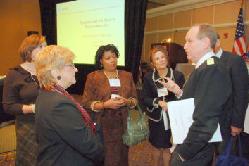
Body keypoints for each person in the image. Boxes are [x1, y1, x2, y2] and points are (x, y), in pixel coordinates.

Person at [162, 24, 232, 166]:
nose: (185, 46)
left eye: (189, 41)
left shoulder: (212, 69)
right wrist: (177, 90)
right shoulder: (204, 67)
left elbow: (205, 122)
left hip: (195, 149)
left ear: (206, 42)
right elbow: (195, 102)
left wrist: (183, 154)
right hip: (193, 144)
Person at [35, 45, 104, 166]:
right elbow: (90, 147)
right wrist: (97, 127)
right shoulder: (59, 104)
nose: (76, 69)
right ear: (55, 72)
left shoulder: (48, 94)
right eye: (71, 65)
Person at [82, 44, 137, 166]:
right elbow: (86, 102)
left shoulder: (127, 76)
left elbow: (135, 100)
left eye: (114, 56)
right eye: (108, 58)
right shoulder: (93, 77)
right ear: (101, 61)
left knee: (123, 157)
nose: (112, 60)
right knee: (107, 158)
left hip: (123, 125)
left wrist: (127, 101)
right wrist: (105, 105)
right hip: (104, 126)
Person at [2, 34, 46, 166]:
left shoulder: (46, 71)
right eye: (41, 47)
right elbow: (8, 106)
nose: (46, 49)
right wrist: (32, 108)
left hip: (49, 124)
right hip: (28, 127)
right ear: (29, 51)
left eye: (46, 46)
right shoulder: (13, 74)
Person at [141, 46, 185, 166]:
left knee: (168, 147)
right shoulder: (149, 77)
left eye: (162, 57)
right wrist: (158, 102)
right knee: (155, 147)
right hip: (156, 119)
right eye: (157, 58)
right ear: (153, 63)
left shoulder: (178, 76)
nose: (160, 60)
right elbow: (144, 98)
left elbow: (183, 98)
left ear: (167, 59)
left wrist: (170, 105)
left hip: (173, 118)